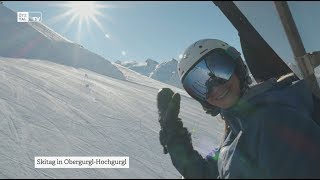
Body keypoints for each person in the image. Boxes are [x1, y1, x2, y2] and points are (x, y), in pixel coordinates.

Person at [156, 39, 320, 178]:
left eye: (220, 69)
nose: (215, 87)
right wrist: (173, 134)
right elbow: (205, 173)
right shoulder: (236, 131)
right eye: (199, 85)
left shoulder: (274, 120)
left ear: (237, 67)